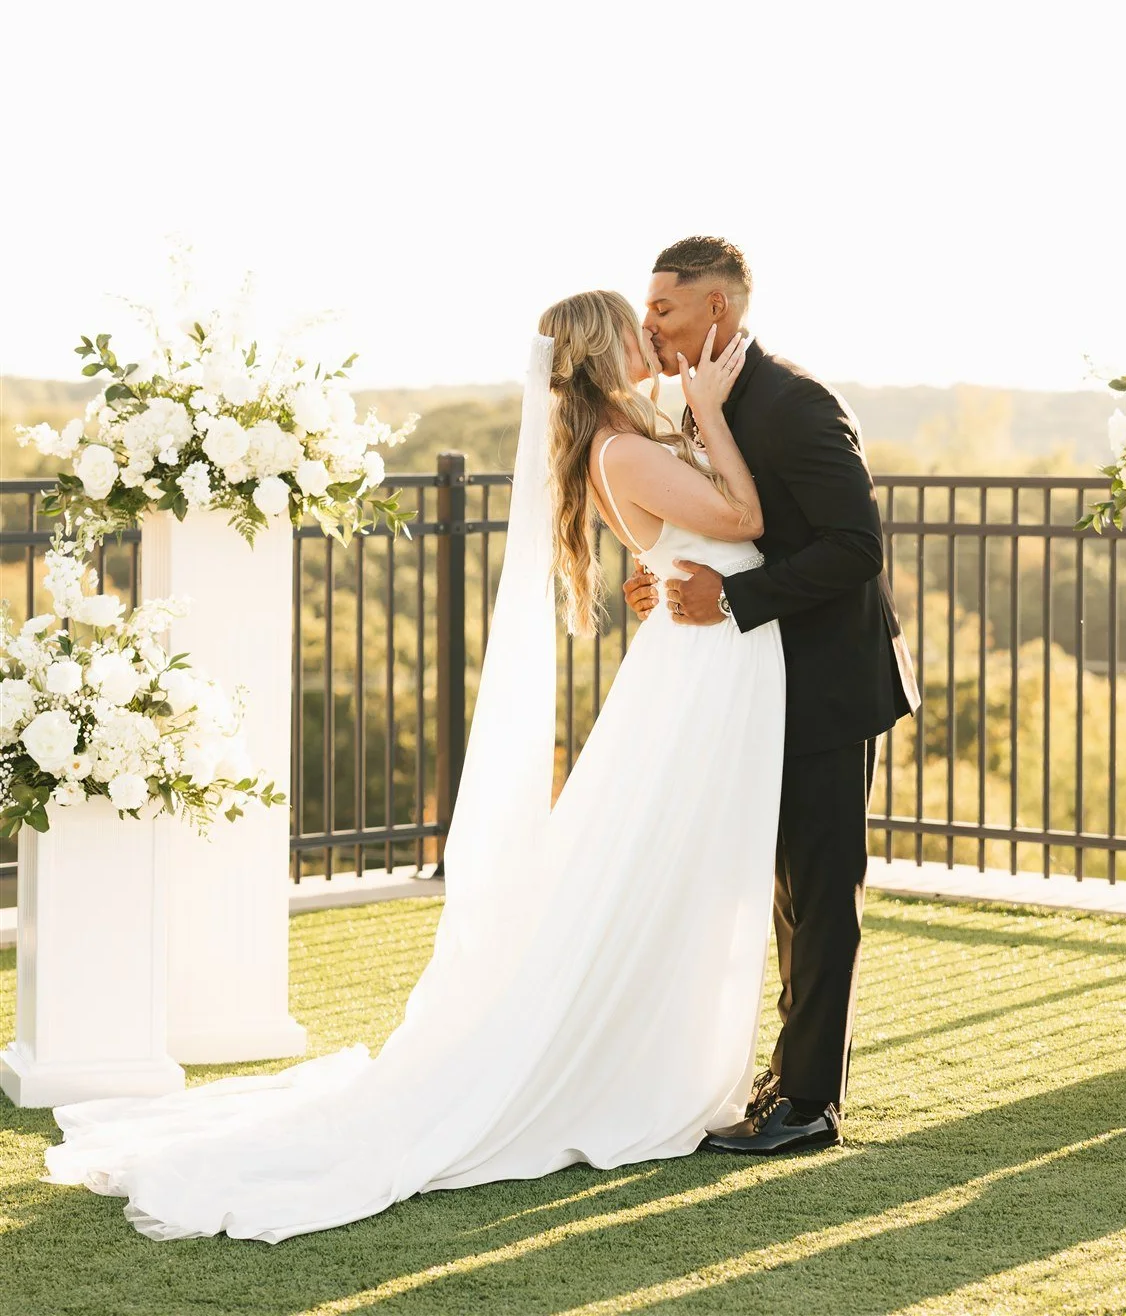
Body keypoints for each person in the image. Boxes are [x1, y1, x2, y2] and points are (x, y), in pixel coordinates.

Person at [46, 293, 789, 1241]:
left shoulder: (619, 441)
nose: (655, 342)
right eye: (637, 331)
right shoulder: (627, 446)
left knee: (659, 867)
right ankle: (636, 1065)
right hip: (701, 667)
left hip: (697, 657)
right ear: (606, 350)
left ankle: (659, 1049)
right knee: (662, 867)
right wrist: (716, 415)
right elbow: (743, 517)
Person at [626, 235, 920, 1156]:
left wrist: (735, 597)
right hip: (756, 680)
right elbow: (723, 529)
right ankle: (789, 1078)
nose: (649, 326)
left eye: (664, 310)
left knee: (821, 890)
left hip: (826, 683)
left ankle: (809, 1107)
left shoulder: (795, 404)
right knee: (785, 887)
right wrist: (672, 578)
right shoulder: (700, 402)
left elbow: (854, 548)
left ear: (718, 309)